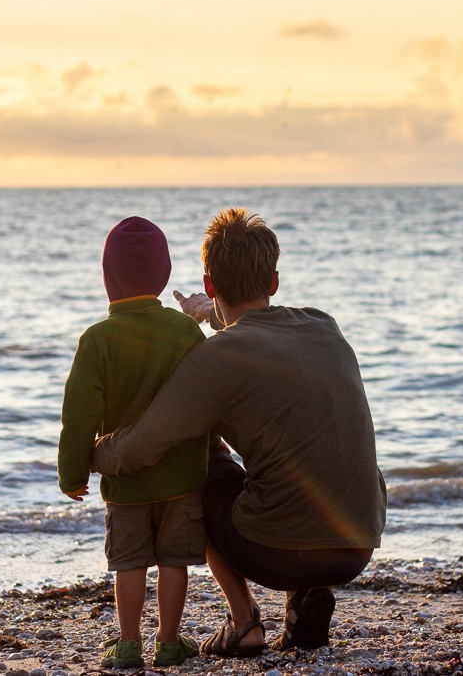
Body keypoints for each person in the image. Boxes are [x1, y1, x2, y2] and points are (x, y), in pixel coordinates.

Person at [91, 207, 387, 657]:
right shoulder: (323, 325)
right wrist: (208, 312)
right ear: (274, 282)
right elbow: (256, 328)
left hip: (279, 551)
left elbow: (143, 446)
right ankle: (304, 598)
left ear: (210, 284)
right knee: (293, 453)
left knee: (201, 460)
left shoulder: (216, 360)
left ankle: (245, 619)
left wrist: (86, 455)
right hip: (359, 542)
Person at [57, 216, 209, 669]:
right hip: (182, 476)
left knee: (130, 562)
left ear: (107, 278)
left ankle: (128, 644)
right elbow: (206, 396)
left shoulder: (97, 339)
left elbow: (79, 413)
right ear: (162, 276)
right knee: (173, 561)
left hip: (125, 484)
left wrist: (72, 472)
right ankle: (167, 641)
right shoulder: (184, 331)